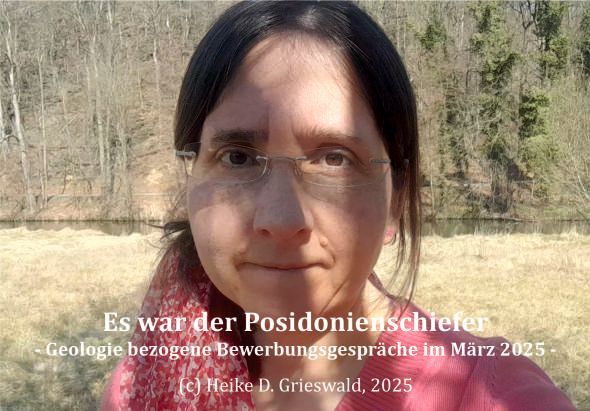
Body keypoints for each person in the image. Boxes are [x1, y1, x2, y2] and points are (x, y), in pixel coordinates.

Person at [102, 2, 575, 410]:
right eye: (238, 157)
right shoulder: (145, 383)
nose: (281, 220)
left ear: (397, 198)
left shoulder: (498, 397)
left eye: (334, 159)